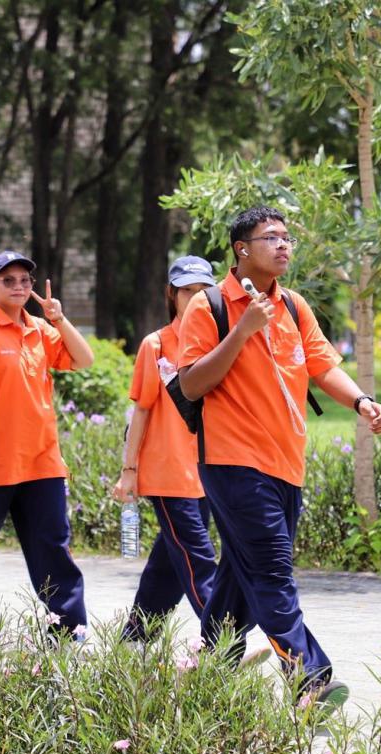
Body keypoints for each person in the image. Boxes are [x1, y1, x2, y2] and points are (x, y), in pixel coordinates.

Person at [178, 206, 381, 711]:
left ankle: (209, 666)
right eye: (270, 237)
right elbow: (191, 383)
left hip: (285, 464)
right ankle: (309, 678)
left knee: (241, 572)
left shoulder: (293, 305)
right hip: (233, 462)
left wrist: (361, 401)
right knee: (272, 573)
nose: (283, 245)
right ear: (241, 249)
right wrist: (243, 330)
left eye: (287, 237)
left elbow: (322, 365)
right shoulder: (209, 307)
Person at [0, 250, 94, 652]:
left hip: (43, 462)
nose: (18, 287)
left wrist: (59, 319)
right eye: (7, 280)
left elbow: (84, 359)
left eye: (25, 280)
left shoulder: (41, 330)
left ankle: (68, 629)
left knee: (54, 547)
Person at [111, 256, 222, 645]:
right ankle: (225, 640)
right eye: (187, 291)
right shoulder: (155, 345)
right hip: (167, 474)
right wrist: (129, 471)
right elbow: (141, 411)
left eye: (203, 291)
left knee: (169, 561)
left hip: (208, 472)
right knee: (198, 558)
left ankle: (136, 636)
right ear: (171, 295)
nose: (195, 298)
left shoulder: (219, 343)